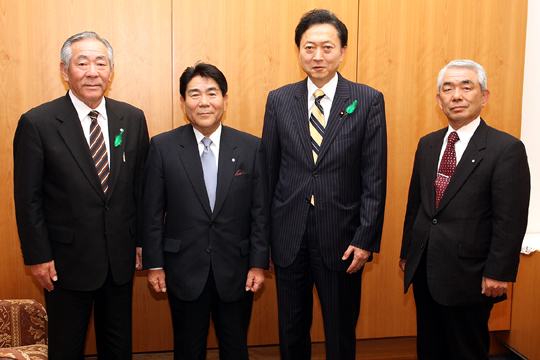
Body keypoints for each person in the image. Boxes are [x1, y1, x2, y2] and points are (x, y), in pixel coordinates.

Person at [13, 31, 149, 359]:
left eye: (101, 63)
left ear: (110, 71)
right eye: (82, 62)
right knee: (66, 348)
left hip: (119, 259)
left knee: (118, 349)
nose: (93, 71)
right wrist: (37, 256)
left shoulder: (131, 118)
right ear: (65, 70)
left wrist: (143, 242)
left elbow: (141, 189)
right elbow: (27, 197)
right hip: (64, 263)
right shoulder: (38, 123)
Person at [261, 9, 387, 360]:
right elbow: (268, 173)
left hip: (343, 239)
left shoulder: (367, 100)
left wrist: (365, 239)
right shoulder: (279, 99)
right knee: (291, 330)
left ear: (343, 51)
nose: (318, 56)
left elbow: (374, 177)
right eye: (309, 47)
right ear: (298, 50)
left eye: (327, 47)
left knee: (340, 330)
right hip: (288, 237)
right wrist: (264, 239)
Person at [399, 59, 530, 360]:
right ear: (439, 99)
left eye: (466, 87)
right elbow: (416, 204)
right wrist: (409, 252)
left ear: (484, 97)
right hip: (425, 268)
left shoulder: (505, 148)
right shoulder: (428, 144)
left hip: (471, 275)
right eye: (448, 88)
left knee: (465, 350)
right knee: (430, 348)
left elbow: (510, 219)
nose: (456, 95)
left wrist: (499, 271)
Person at [143, 62, 269, 360]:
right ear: (183, 102)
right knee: (187, 350)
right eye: (194, 94)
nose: (204, 102)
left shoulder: (251, 147)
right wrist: (155, 264)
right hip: (182, 269)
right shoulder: (163, 147)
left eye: (212, 93)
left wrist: (258, 263)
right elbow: (151, 212)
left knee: (236, 349)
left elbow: (260, 211)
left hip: (237, 270)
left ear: (225, 99)